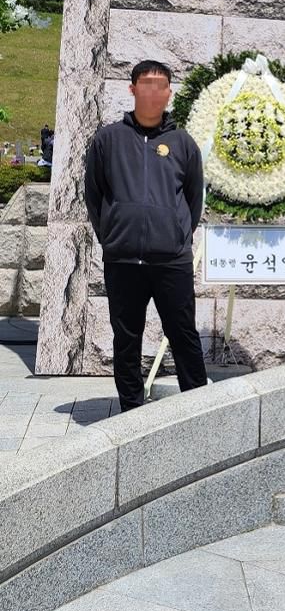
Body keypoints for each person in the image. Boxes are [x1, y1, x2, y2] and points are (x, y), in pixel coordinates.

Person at [84, 59, 208, 412]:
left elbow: (193, 200)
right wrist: (110, 235)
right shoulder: (108, 140)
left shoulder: (184, 144)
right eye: (147, 83)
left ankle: (199, 413)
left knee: (184, 337)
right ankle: (131, 413)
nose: (154, 91)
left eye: (161, 84)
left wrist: (177, 235)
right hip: (123, 260)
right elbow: (94, 193)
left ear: (169, 92)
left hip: (172, 261)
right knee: (126, 340)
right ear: (133, 89)